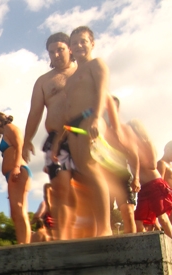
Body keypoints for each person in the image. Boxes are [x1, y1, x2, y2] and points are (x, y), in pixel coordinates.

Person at [24, 32, 77, 240]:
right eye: (51, 52)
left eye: (60, 49)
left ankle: (97, 233)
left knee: (89, 186)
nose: (56, 54)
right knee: (60, 191)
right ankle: (64, 238)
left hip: (82, 135)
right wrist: (27, 140)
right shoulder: (44, 81)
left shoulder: (82, 71)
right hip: (55, 140)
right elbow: (35, 112)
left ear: (70, 49)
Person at [62, 26, 114, 237]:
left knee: (93, 169)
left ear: (92, 43)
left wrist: (96, 119)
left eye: (83, 41)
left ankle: (105, 228)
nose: (79, 45)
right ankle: (94, 226)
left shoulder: (96, 64)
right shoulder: (72, 77)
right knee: (84, 174)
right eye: (74, 43)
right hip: (74, 127)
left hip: (90, 120)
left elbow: (102, 91)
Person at [127, 120, 172, 233]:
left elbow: (152, 166)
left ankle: (171, 241)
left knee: (166, 219)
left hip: (155, 184)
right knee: (139, 221)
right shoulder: (129, 147)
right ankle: (148, 241)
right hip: (144, 188)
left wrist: (136, 173)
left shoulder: (147, 144)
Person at [0, 112, 31, 244]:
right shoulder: (6, 132)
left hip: (18, 170)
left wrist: (16, 167)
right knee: (15, 213)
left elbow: (19, 145)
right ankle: (22, 242)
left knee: (19, 208)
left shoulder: (11, 128)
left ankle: (25, 244)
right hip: (11, 174)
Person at [101, 96, 140, 234]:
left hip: (122, 175)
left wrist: (136, 178)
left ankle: (133, 244)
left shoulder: (124, 130)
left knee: (128, 211)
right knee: (104, 216)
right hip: (103, 177)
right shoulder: (98, 128)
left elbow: (134, 155)